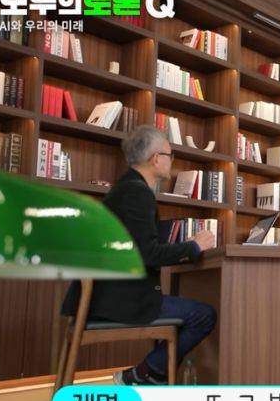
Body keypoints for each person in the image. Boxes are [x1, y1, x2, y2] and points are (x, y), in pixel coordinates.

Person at [60, 126, 218, 386]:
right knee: (204, 315)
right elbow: (147, 254)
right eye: (170, 155)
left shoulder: (125, 188)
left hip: (105, 297)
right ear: (156, 158)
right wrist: (194, 247)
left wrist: (185, 246)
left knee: (192, 312)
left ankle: (149, 375)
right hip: (119, 301)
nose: (171, 161)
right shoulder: (137, 193)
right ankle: (143, 374)